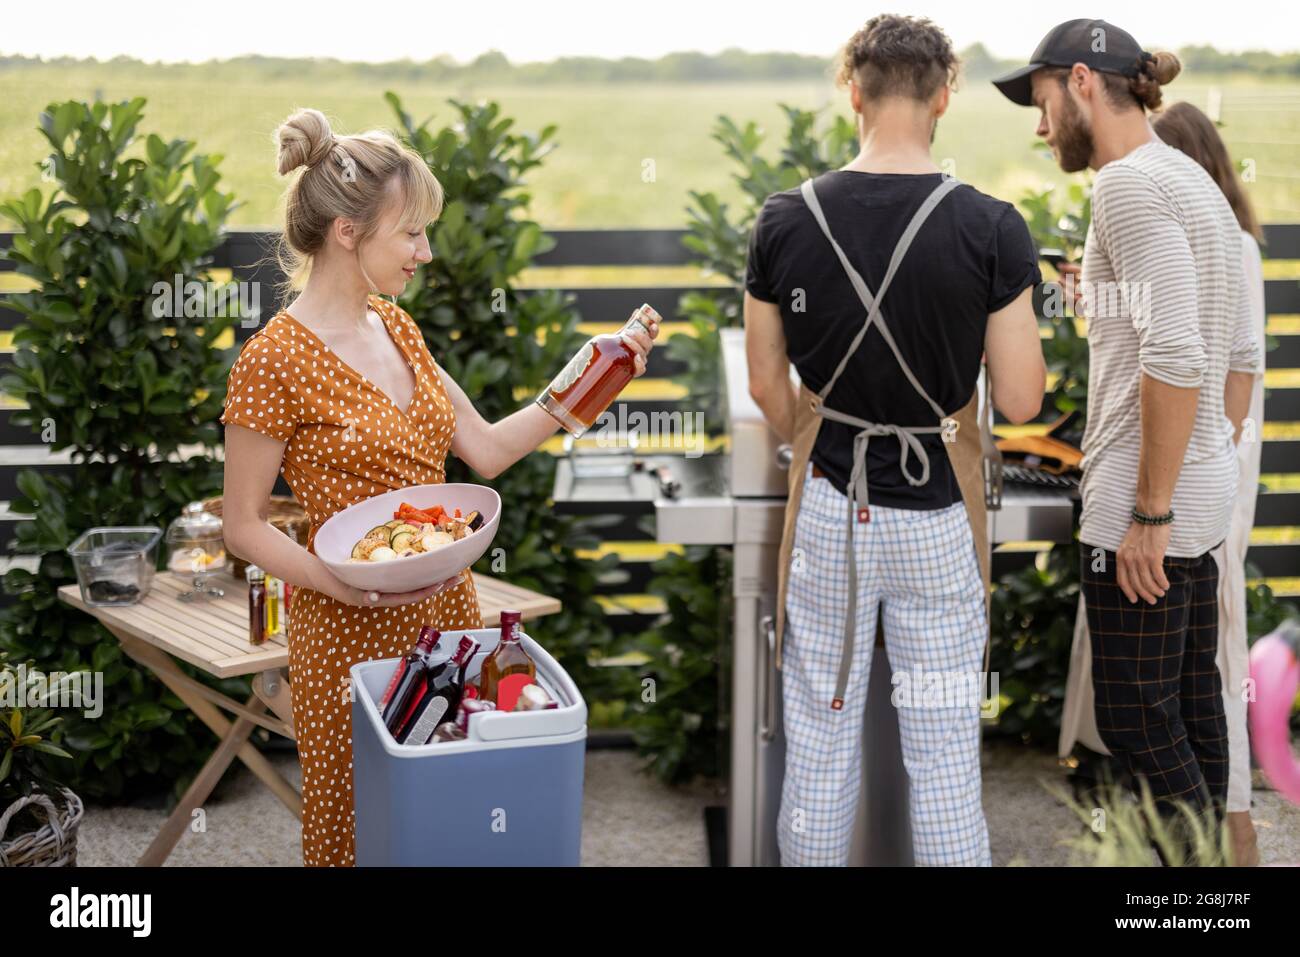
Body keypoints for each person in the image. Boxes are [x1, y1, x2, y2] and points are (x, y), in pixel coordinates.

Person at [219, 108, 659, 866]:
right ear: (348, 233)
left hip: (448, 618)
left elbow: (484, 450)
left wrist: (588, 379)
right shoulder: (272, 360)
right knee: (365, 830)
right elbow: (244, 525)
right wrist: (344, 585)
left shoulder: (399, 329)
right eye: (411, 232)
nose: (425, 250)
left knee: (452, 827)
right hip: (346, 633)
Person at [745, 14, 1046, 866]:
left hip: (832, 511)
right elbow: (1021, 398)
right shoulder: (991, 226)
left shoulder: (784, 220)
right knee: (945, 757)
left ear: (853, 91)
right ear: (944, 93)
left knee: (819, 750)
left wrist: (831, 433)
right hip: (940, 521)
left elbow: (770, 385)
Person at [994, 20, 1264, 862]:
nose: (1040, 129)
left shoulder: (1127, 187)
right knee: (1190, 707)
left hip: (1143, 509)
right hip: (1201, 493)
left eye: (1040, 104)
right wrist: (1098, 302)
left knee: (1137, 719)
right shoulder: (1189, 181)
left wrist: (1150, 509)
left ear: (1080, 82)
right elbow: (1218, 342)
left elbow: (1179, 352)